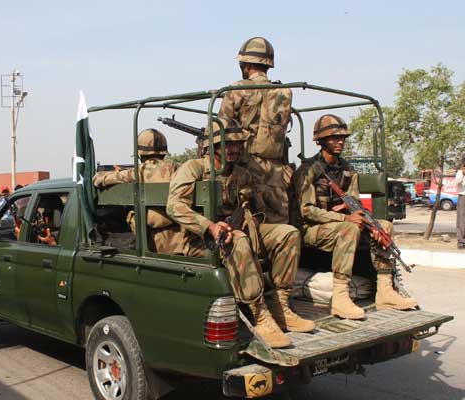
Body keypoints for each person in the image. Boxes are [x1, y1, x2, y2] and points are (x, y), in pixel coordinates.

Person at [167, 117, 314, 348]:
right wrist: (210, 226)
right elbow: (174, 206)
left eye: (238, 144)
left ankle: (281, 304)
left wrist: (253, 219)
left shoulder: (241, 173)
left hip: (242, 231)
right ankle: (260, 314)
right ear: (212, 146)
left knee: (288, 234)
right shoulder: (194, 168)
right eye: (228, 144)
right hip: (203, 240)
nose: (235, 148)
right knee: (239, 240)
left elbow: (256, 206)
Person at [292, 114, 418, 319]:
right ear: (320, 141)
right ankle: (340, 298)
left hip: (338, 226)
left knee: (383, 226)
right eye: (334, 138)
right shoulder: (308, 170)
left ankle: (385, 291)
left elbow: (354, 203)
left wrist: (368, 223)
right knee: (349, 229)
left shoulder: (348, 170)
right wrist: (344, 219)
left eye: (342, 138)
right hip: (310, 229)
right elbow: (305, 211)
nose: (340, 141)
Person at [218, 36, 294, 224]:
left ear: (246, 65)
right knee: (280, 225)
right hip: (277, 171)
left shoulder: (236, 90)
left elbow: (221, 130)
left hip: (246, 168)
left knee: (246, 222)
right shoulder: (283, 92)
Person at [93, 128, 183, 254]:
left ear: (141, 154)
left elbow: (98, 179)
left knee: (132, 215)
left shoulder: (138, 171)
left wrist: (118, 173)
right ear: (163, 153)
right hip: (178, 232)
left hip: (151, 237)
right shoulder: (177, 168)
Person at [456, 154, 465, 250]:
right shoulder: (460, 172)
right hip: (463, 196)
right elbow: (456, 183)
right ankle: (461, 241)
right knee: (461, 220)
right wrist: (462, 174)